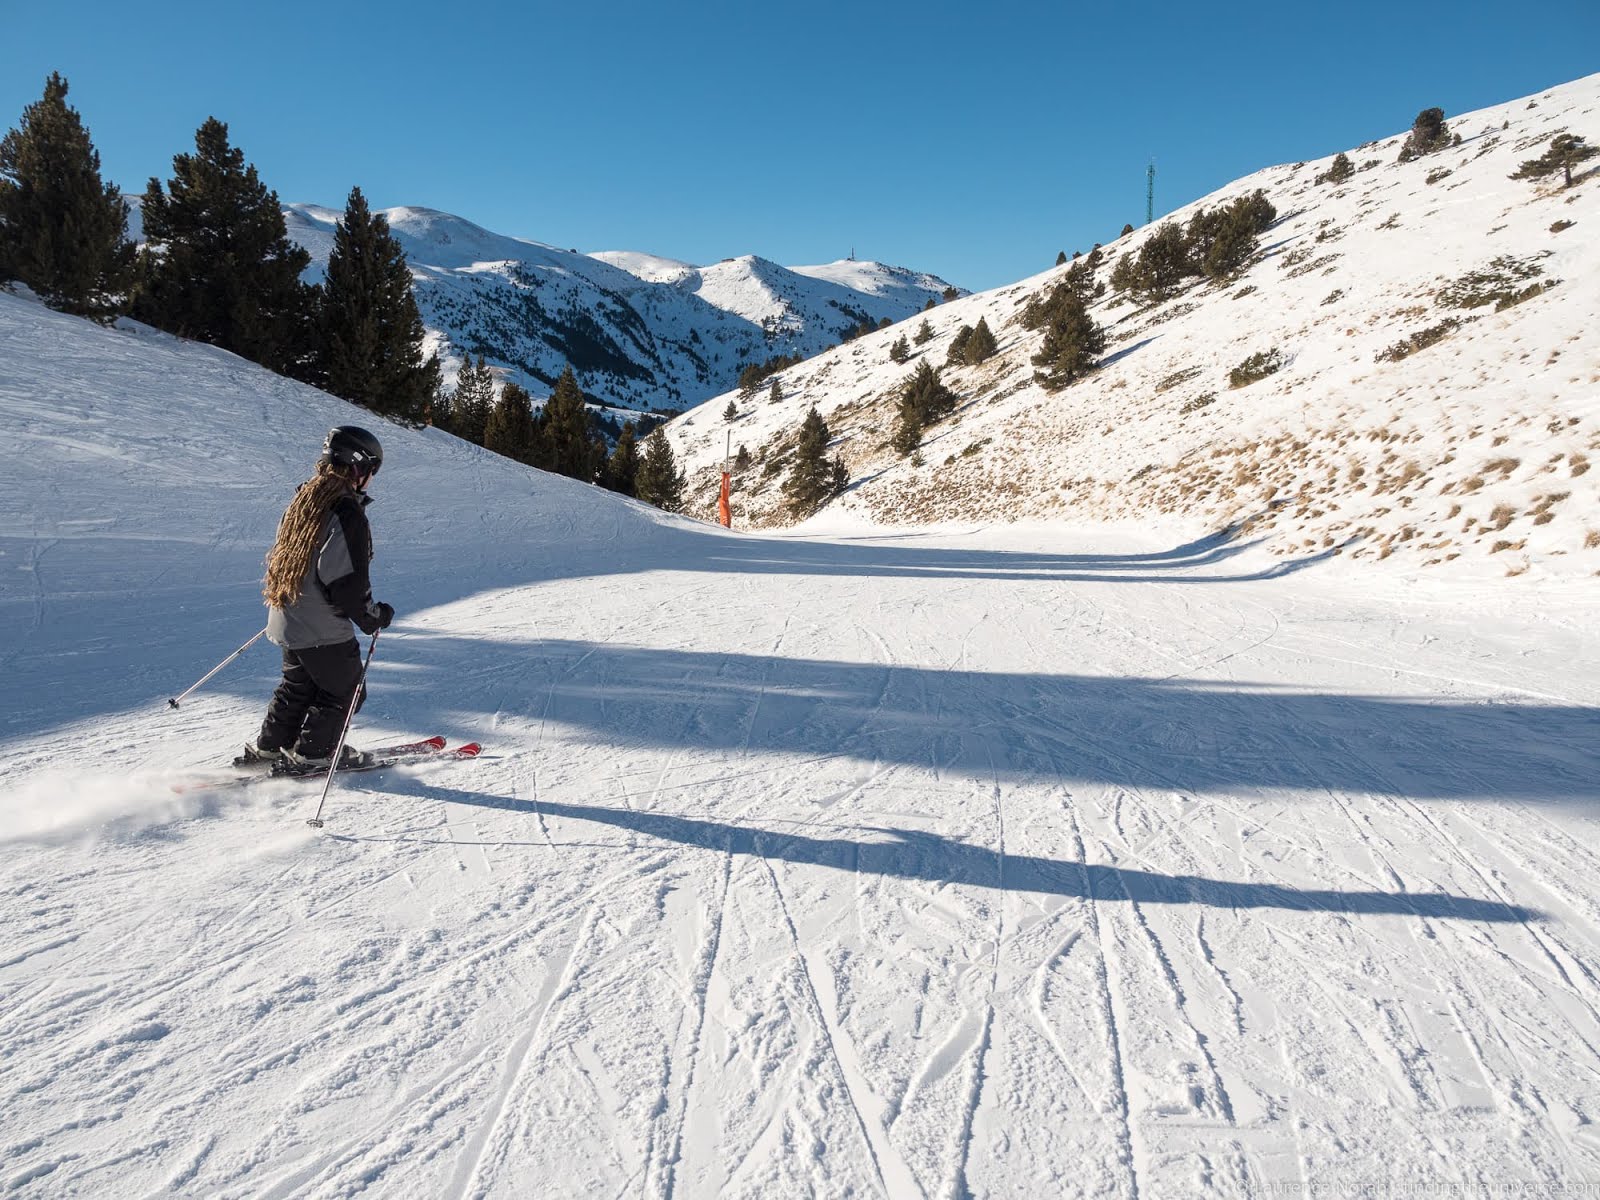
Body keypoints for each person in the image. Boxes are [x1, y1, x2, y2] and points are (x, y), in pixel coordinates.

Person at [244, 426, 394, 768]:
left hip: (287, 615)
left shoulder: (306, 499)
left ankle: (270, 749)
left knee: (297, 687)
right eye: (373, 471)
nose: (372, 479)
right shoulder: (345, 511)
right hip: (320, 626)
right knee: (346, 691)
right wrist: (372, 617)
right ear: (360, 468)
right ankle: (314, 756)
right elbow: (344, 582)